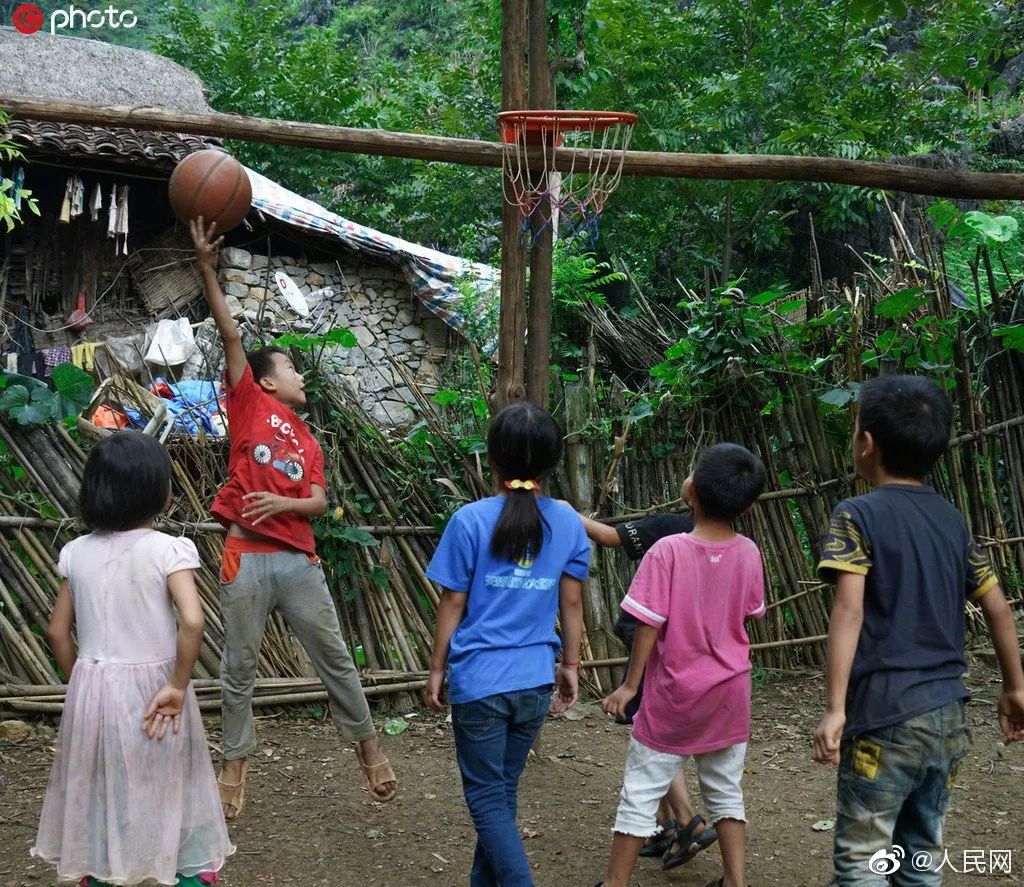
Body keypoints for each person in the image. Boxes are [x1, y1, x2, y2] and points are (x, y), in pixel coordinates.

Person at [190, 218, 396, 819]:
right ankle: (235, 770)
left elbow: (319, 504)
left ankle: (370, 752)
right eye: (292, 368)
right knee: (239, 668)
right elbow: (231, 335)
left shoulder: (308, 440)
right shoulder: (248, 400)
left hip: (297, 559)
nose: (301, 375)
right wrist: (206, 266)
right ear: (267, 381)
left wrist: (284, 504)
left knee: (334, 657)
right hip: (246, 555)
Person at [812, 375, 1024, 886]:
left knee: (862, 858)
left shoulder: (855, 514)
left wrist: (836, 707)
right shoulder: (951, 519)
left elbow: (849, 612)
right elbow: (997, 606)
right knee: (919, 854)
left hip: (886, 715)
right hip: (950, 716)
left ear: (866, 444)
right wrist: (1016, 687)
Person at [31, 432, 234, 887]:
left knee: (105, 787)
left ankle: (104, 873)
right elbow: (193, 621)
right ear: (156, 490)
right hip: (156, 690)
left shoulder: (76, 552)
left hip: (95, 688)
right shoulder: (168, 549)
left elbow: (57, 631)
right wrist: (178, 684)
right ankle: (181, 874)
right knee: (164, 783)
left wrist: (83, 680)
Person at [425, 401, 589, 887]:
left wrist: (436, 669)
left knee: (487, 801)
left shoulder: (470, 520)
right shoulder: (568, 522)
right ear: (553, 461)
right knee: (500, 796)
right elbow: (573, 605)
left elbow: (453, 601)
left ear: (492, 459)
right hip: (535, 681)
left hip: (480, 684)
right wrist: (571, 666)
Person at [596, 443, 767, 887]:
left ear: (689, 490)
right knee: (726, 790)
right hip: (730, 693)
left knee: (640, 791)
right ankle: (736, 881)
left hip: (674, 694)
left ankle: (615, 884)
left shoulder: (667, 551)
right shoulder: (749, 552)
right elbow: (750, 611)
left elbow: (647, 624)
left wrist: (630, 686)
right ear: (748, 507)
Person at [571, 508, 717, 870]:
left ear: (697, 493)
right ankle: (667, 827)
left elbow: (607, 537)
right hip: (694, 650)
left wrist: (569, 514)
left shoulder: (672, 527)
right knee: (653, 731)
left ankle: (686, 821)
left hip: (660, 649)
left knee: (653, 736)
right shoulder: (726, 543)